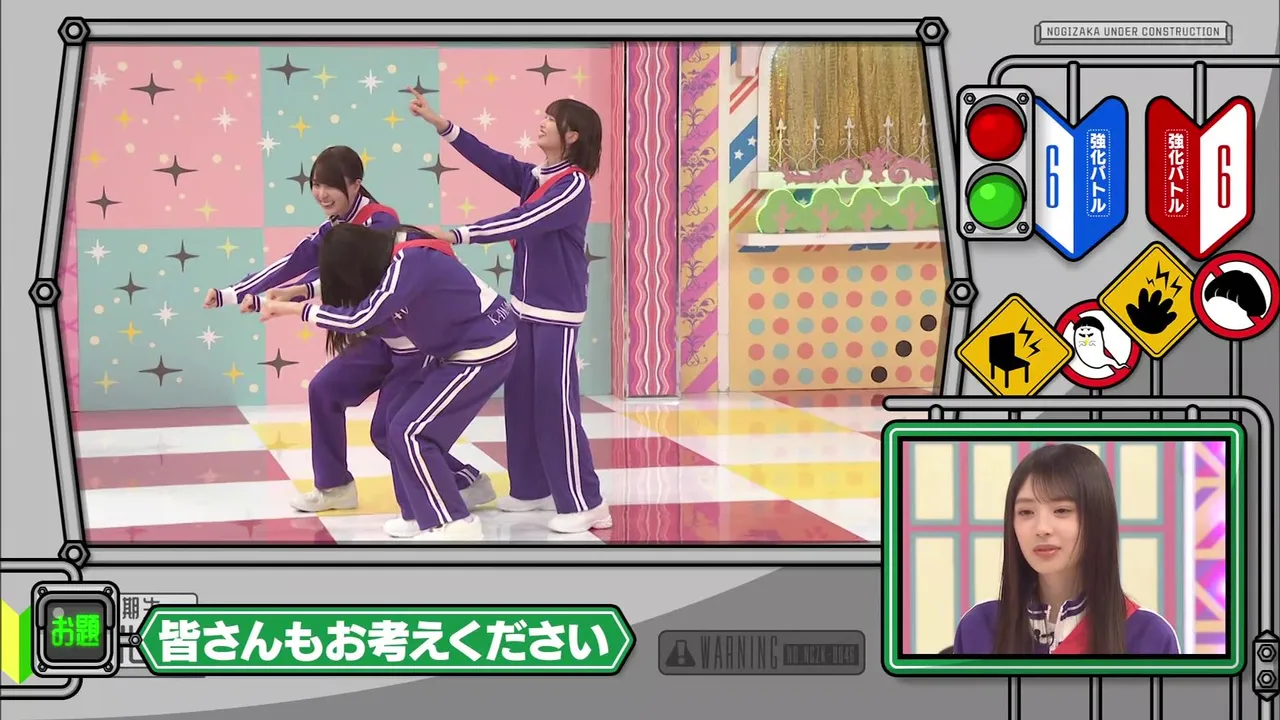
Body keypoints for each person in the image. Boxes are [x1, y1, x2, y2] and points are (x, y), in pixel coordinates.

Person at [204, 146, 492, 514]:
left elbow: (352, 279)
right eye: (315, 184)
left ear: (356, 185)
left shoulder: (381, 222)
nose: (321, 194)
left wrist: (296, 294)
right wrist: (232, 294)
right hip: (380, 337)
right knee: (324, 389)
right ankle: (334, 487)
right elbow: (293, 262)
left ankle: (465, 481)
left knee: (388, 431)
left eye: (330, 185)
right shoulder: (334, 226)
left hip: (414, 344)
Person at [406, 88, 611, 535]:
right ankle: (532, 487)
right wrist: (441, 124)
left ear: (572, 135)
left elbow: (522, 221)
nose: (542, 121)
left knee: (556, 406)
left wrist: (457, 234)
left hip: (556, 313)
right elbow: (492, 160)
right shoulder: (538, 177)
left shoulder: (573, 184)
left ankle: (587, 501)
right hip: (523, 307)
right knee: (520, 400)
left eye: (551, 118)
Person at [258, 223, 517, 541]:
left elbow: (360, 317)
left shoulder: (408, 261)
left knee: (411, 432)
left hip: (482, 347)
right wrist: (298, 292)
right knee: (395, 426)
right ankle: (419, 513)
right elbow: (360, 290)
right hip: (456, 346)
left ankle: (455, 522)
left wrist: (294, 309)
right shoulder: (391, 256)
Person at [951, 443, 1180, 655]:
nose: (1042, 528)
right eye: (1026, 512)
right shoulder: (979, 628)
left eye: (1061, 510)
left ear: (1097, 519)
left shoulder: (1148, 636)